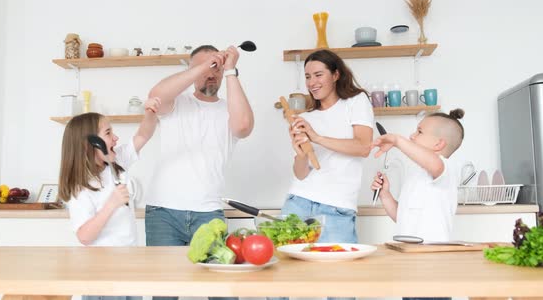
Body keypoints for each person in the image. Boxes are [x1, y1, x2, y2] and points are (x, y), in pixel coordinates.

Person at [145, 45, 254, 300]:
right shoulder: (175, 104)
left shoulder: (229, 110)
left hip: (209, 214)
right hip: (163, 213)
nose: (210, 73)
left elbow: (244, 126)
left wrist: (230, 70)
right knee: (164, 294)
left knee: (223, 293)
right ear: (191, 71)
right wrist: (204, 66)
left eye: (216, 67)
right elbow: (155, 94)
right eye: (204, 68)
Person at [276, 49, 373, 300]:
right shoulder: (305, 117)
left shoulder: (356, 102)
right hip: (298, 203)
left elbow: (362, 147)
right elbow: (300, 174)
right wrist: (300, 152)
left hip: (337, 210)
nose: (312, 83)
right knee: (279, 286)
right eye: (307, 77)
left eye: (318, 74)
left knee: (340, 290)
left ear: (336, 74)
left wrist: (317, 137)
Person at [58, 96, 160, 300]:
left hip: (128, 268)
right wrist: (111, 204)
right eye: (108, 133)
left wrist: (150, 113)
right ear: (91, 144)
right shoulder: (81, 187)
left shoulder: (115, 162)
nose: (115, 138)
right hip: (102, 275)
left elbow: (143, 135)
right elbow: (84, 236)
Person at [370, 109, 465, 300]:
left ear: (439, 144)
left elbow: (435, 164)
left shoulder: (445, 168)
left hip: (432, 267)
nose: (412, 135)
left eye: (419, 132)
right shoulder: (416, 174)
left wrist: (397, 141)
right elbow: (401, 216)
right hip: (409, 264)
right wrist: (386, 195)